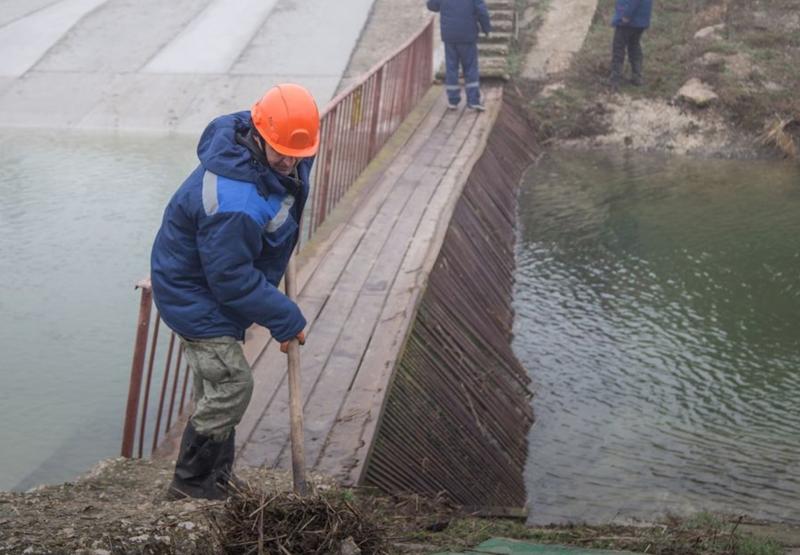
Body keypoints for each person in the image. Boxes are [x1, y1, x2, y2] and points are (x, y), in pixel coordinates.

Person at [150, 83, 318, 500]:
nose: (290, 162)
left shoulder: (260, 136)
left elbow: (292, 162)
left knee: (216, 386)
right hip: (197, 296)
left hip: (207, 280)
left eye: (298, 153)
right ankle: (190, 487)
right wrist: (285, 317)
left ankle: (217, 479)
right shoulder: (234, 201)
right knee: (232, 386)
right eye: (281, 152)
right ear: (259, 134)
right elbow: (231, 280)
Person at [427, 0, 492, 111]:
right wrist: (487, 29)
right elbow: (481, 10)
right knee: (471, 68)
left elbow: (432, 5)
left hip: (450, 36)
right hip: (468, 35)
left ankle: (453, 101)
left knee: (451, 67)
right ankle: (473, 100)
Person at [609, 0, 653, 88]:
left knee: (618, 47)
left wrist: (626, 15)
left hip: (629, 19)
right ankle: (637, 77)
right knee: (634, 46)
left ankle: (615, 79)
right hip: (641, 18)